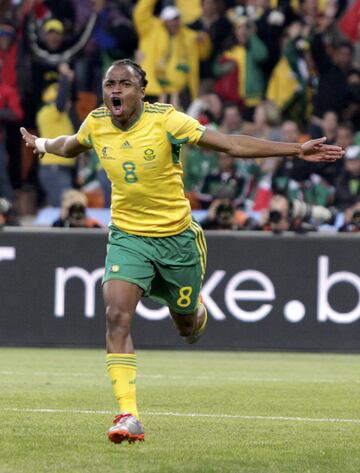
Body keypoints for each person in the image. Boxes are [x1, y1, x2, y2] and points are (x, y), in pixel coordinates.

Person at [20, 59, 343, 445]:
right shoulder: (97, 122)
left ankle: (195, 310)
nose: (115, 90)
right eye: (110, 84)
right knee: (116, 314)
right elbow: (70, 146)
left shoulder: (167, 121)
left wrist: (294, 150)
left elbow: (230, 144)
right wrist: (41, 144)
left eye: (125, 84)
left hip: (176, 240)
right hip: (128, 236)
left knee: (186, 328)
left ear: (142, 91)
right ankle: (128, 414)